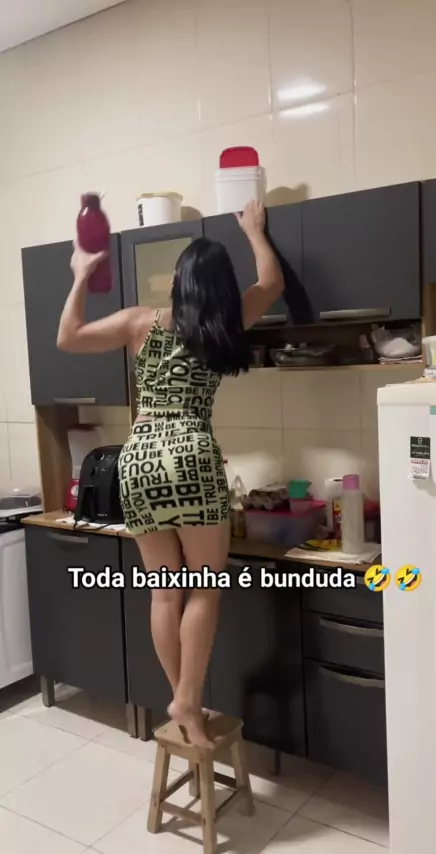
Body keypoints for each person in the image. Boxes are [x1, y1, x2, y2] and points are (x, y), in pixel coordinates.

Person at [57, 200, 284, 747]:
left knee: (164, 592)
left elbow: (68, 336)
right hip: (191, 455)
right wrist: (255, 231)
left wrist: (81, 275)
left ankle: (184, 700)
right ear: (220, 288)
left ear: (178, 283)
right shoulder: (227, 321)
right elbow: (272, 282)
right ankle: (186, 698)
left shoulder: (141, 321)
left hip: (137, 457)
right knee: (203, 589)